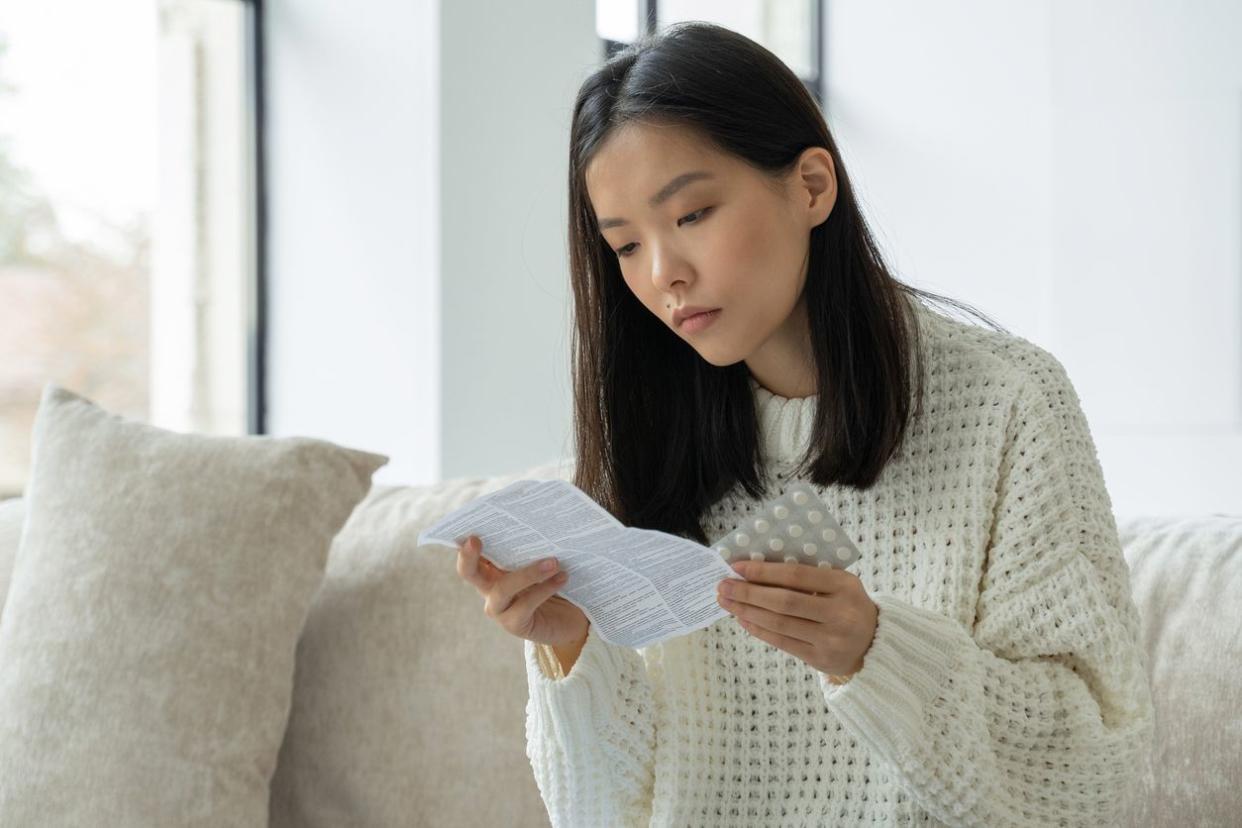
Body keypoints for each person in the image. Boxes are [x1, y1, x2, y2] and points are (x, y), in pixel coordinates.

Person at [455, 21, 1155, 828]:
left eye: (690, 216)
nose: (662, 275)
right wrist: (572, 645)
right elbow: (599, 812)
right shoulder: (648, 437)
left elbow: (1094, 771)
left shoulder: (1007, 405)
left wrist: (878, 652)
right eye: (624, 246)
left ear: (812, 185)